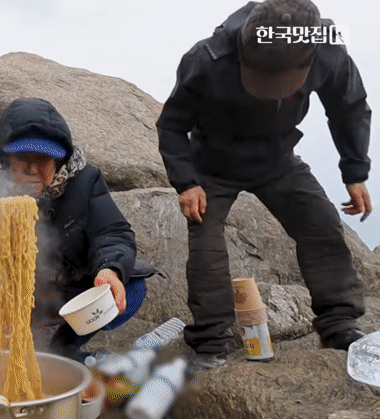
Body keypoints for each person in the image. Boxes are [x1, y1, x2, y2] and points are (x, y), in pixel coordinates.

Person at [156, 0, 371, 370]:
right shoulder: (206, 58)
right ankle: (211, 343)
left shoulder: (326, 46)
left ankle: (339, 324)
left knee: (321, 225)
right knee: (206, 245)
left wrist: (355, 171)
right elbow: (172, 125)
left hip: (277, 160)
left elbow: (348, 107)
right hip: (212, 165)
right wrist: (187, 183)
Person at [0, 98, 152, 361]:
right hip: (1, 291)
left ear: (58, 160)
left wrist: (110, 269)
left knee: (132, 285)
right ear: (6, 158)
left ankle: (65, 349)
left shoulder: (84, 180)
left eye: (42, 158)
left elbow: (112, 233)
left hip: (59, 288)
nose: (31, 168)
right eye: (22, 158)